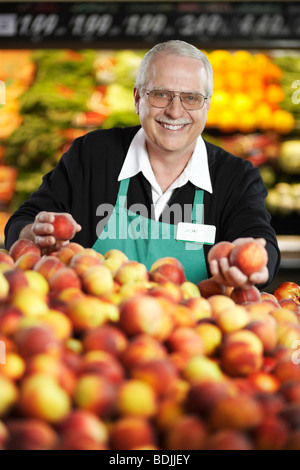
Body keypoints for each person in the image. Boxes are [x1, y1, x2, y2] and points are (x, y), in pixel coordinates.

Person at [5, 40, 280, 288]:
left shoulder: (235, 176)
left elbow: (261, 242)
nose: (175, 111)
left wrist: (255, 258)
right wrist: (35, 234)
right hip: (98, 332)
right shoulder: (92, 154)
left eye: (191, 98)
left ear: (207, 106)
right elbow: (21, 222)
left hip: (195, 334)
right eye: (161, 94)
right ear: (138, 99)